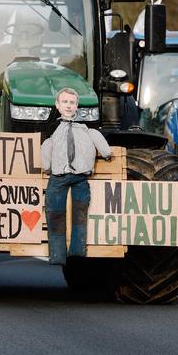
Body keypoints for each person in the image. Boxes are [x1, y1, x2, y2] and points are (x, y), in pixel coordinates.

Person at [41, 88, 112, 265]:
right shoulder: (52, 128)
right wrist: (47, 166)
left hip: (80, 177)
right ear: (57, 105)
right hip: (58, 176)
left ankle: (76, 253)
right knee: (55, 214)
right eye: (64, 102)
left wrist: (106, 152)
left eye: (72, 102)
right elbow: (47, 148)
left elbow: (102, 146)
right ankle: (57, 255)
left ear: (77, 106)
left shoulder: (86, 129)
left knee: (80, 214)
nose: (68, 106)